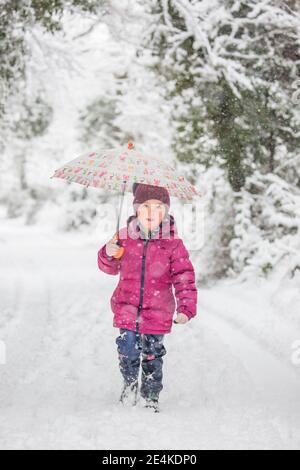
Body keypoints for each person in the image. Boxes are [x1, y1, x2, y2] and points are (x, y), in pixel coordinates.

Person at [97, 182, 198, 412]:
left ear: (166, 211)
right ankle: (130, 383)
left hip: (158, 309)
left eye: (158, 208)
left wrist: (185, 308)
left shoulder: (173, 244)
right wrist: (108, 253)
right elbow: (108, 268)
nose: (152, 213)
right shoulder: (123, 237)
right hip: (127, 305)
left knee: (153, 354)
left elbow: (184, 277)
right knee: (128, 347)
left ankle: (151, 394)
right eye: (146, 207)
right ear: (136, 209)